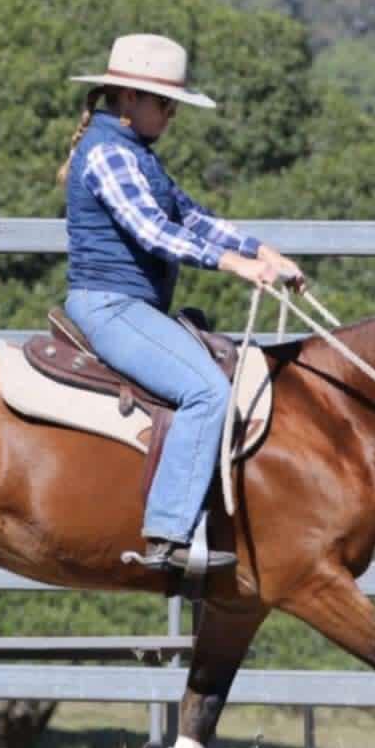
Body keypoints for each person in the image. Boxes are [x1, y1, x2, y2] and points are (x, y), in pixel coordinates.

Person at [60, 33, 303, 572]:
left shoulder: (136, 155)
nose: (171, 115)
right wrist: (234, 264)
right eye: (165, 103)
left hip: (131, 307)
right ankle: (168, 534)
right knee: (206, 391)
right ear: (130, 98)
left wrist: (260, 250)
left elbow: (191, 217)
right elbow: (152, 231)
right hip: (111, 306)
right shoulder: (109, 155)